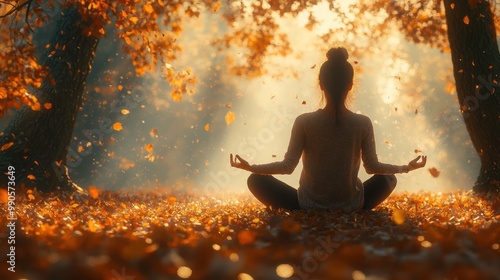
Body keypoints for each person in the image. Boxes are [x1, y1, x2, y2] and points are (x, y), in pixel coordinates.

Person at [230, 47, 427, 211]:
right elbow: (373, 167)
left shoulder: (304, 121)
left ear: (321, 85)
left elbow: (287, 166)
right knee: (389, 178)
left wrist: (251, 167)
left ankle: (308, 207)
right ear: (350, 85)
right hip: (351, 205)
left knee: (255, 180)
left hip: (307, 205)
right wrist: (406, 168)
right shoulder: (362, 123)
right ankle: (352, 205)